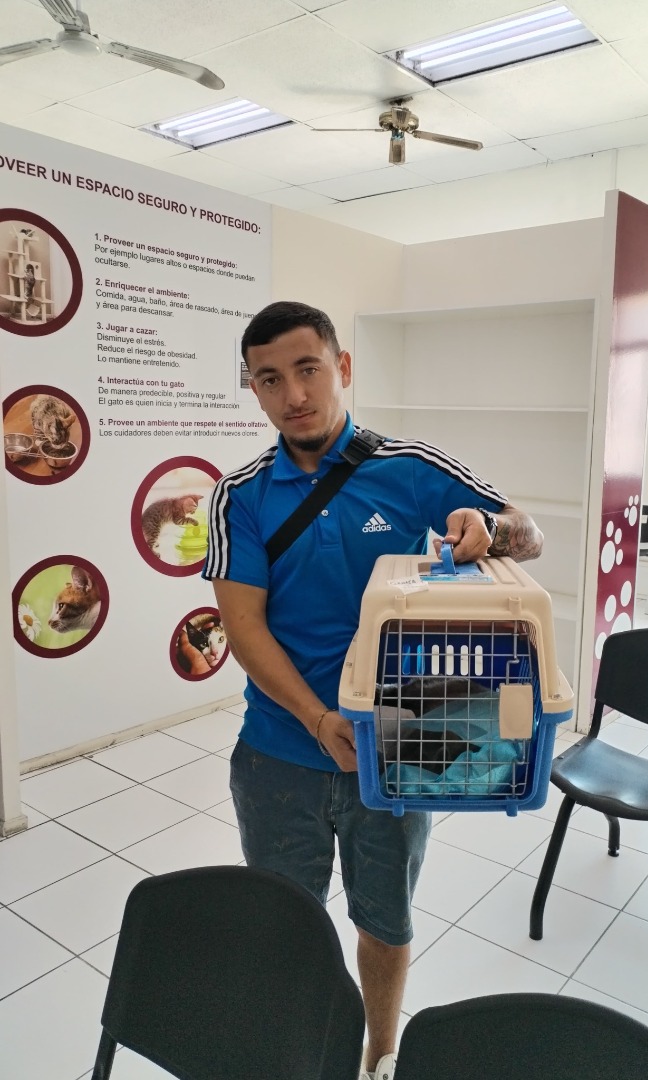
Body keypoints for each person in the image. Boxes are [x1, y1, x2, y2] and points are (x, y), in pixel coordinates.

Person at [204, 300, 543, 1080]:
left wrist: (491, 530)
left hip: (398, 744)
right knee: (286, 924)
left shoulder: (409, 467)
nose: (294, 394)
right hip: (279, 752)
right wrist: (318, 717)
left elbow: (526, 531)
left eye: (308, 369)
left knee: (385, 923)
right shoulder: (240, 496)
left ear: (343, 367)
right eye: (269, 378)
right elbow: (243, 627)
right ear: (253, 388)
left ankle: (380, 1055)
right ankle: (298, 1048)